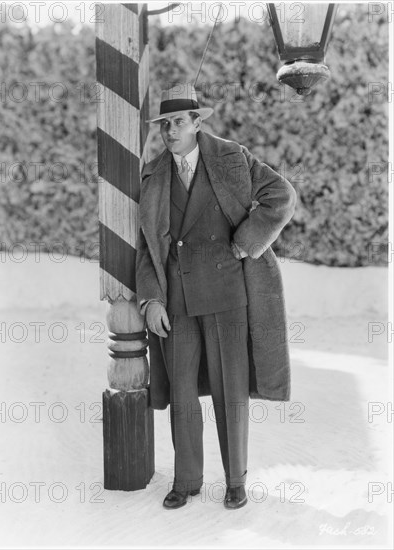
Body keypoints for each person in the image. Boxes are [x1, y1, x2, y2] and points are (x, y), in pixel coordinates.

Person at [136, 83, 296, 510]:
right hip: (176, 300)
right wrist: (151, 300)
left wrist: (248, 240)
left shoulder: (231, 157)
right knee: (183, 393)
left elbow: (281, 196)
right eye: (164, 124)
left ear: (197, 122)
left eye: (178, 123)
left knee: (231, 392)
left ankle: (236, 481)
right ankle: (186, 480)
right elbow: (147, 246)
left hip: (228, 292)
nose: (170, 131)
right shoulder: (153, 175)